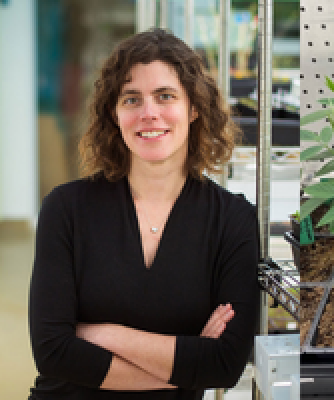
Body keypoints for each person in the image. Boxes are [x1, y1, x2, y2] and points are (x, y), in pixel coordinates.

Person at [28, 28, 260, 399]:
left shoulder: (233, 221)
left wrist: (106, 335)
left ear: (194, 107)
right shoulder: (66, 209)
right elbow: (54, 353)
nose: (149, 113)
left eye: (165, 96)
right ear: (114, 114)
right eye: (131, 99)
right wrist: (188, 363)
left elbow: (226, 364)